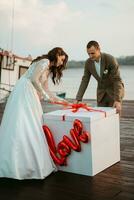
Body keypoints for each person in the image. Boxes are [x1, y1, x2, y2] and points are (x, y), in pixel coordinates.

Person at [0, 47, 68, 180]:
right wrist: (44, 96)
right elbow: (34, 80)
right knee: (23, 121)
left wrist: (60, 100)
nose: (61, 63)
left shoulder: (48, 68)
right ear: (57, 55)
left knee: (31, 123)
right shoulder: (45, 62)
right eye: (62, 59)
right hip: (25, 90)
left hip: (30, 92)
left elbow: (47, 89)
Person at [75, 40, 124, 115]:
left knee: (114, 119)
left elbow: (117, 80)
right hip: (101, 94)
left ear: (99, 49)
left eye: (92, 53)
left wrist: (117, 100)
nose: (90, 56)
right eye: (88, 54)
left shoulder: (110, 59)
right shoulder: (88, 63)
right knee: (100, 118)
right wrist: (78, 98)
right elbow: (85, 80)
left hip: (114, 93)